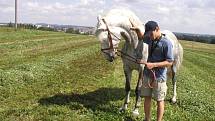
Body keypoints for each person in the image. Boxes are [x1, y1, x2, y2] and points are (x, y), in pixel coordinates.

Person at [132, 21, 174, 121]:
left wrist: (154, 64)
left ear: (157, 29)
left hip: (159, 77)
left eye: (151, 34)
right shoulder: (150, 38)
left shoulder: (166, 43)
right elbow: (142, 37)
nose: (149, 36)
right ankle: (147, 119)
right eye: (148, 34)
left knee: (160, 100)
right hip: (147, 74)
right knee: (147, 97)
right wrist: (138, 31)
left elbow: (170, 62)